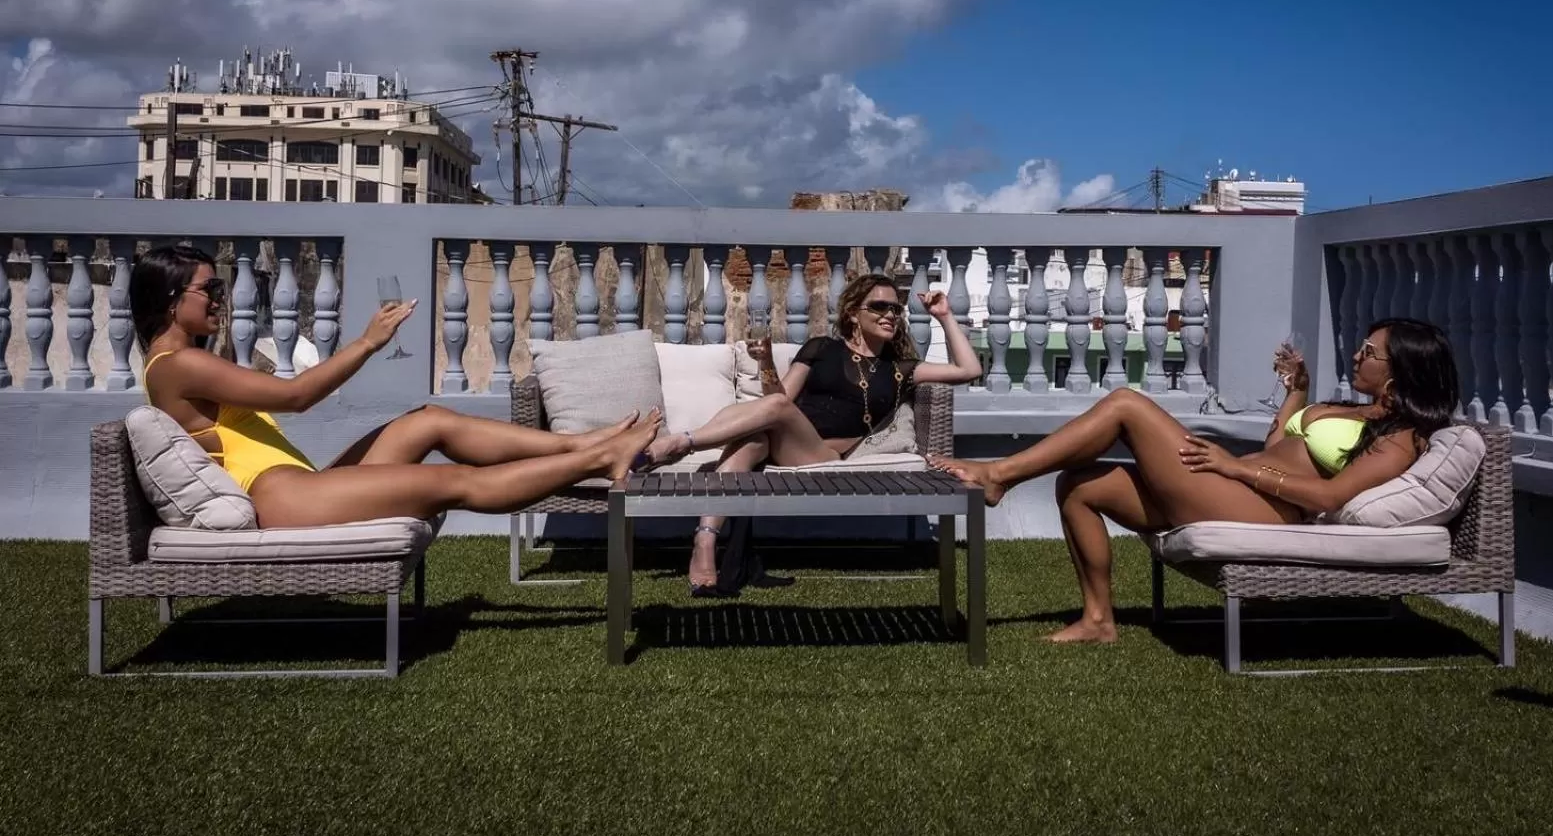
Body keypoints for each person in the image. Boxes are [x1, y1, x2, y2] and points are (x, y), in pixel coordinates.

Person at [931, 318, 1461, 644]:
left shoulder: (1403, 437)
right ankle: (1098, 620)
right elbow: (1283, 444)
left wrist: (1237, 467)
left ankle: (999, 474)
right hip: (1241, 485)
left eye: (1370, 352)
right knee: (1081, 484)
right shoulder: (1354, 409)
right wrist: (1296, 392)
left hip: (1264, 507)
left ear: (1401, 372)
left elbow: (1327, 494)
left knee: (1127, 405)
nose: (1357, 355)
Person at [133, 244, 659, 528]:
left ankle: (582, 443)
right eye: (210, 289)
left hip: (297, 484)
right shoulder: (178, 364)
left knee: (428, 420)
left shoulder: (183, 362)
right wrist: (367, 342)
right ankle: (599, 460)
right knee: (451, 484)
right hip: (283, 500)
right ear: (173, 298)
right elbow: (296, 398)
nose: (221, 298)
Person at [637, 273, 984, 597]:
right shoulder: (820, 348)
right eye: (879, 307)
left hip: (819, 454)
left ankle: (682, 442)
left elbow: (969, 369)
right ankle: (706, 540)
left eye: (895, 308)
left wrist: (944, 315)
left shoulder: (901, 369)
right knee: (755, 435)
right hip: (781, 440)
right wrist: (767, 363)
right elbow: (781, 397)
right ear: (852, 314)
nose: (890, 314)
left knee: (777, 410)